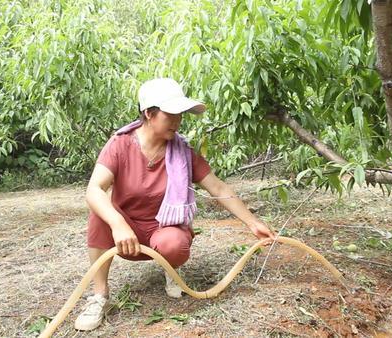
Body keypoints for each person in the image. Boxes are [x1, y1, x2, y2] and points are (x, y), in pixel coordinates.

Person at [75, 78, 276, 331]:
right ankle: (99, 296)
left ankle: (171, 268)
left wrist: (252, 222)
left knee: (174, 244)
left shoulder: (182, 152)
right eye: (171, 114)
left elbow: (218, 187)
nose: (178, 121)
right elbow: (94, 189)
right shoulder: (120, 145)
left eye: (180, 114)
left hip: (163, 228)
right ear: (149, 113)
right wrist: (117, 223)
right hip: (125, 232)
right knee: (99, 213)